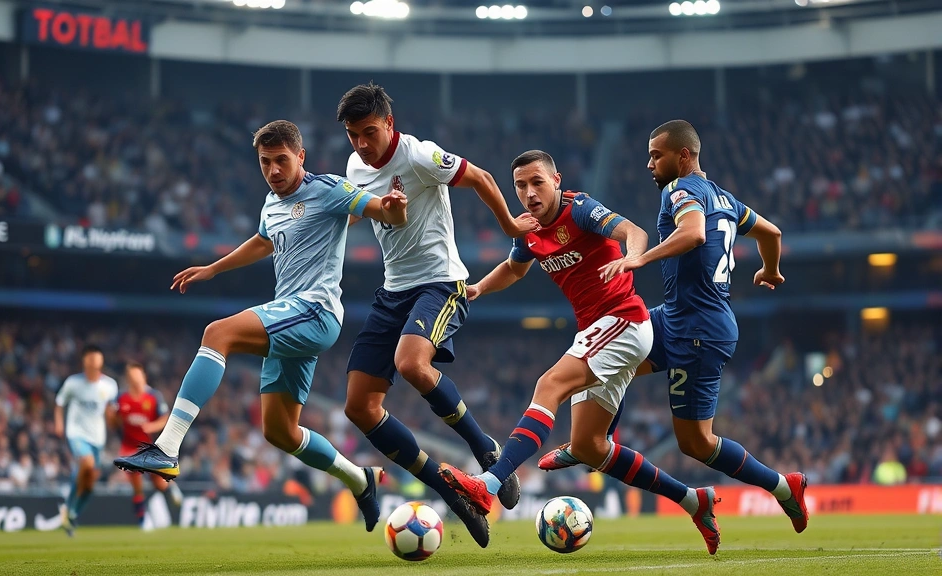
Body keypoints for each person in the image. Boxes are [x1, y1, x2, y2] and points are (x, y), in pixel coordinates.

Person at [115, 120, 408, 532]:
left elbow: (375, 208)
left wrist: (390, 207)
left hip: (316, 310)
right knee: (280, 431)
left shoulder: (327, 189)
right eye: (265, 162)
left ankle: (167, 446)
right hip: (290, 315)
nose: (273, 170)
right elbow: (262, 240)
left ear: (300, 156)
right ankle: (358, 479)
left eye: (281, 160)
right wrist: (214, 268)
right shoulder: (272, 202)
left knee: (218, 334)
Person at [438, 150, 722, 554]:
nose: (529, 193)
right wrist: (481, 288)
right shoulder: (530, 230)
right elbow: (515, 268)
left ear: (556, 180)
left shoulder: (581, 209)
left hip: (624, 321)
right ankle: (694, 500)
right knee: (590, 446)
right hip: (597, 330)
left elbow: (634, 231)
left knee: (549, 384)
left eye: (537, 182)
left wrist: (631, 259)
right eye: (521, 186)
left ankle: (486, 486)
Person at [543, 119, 809, 534]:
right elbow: (770, 232)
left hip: (699, 330)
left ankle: (783, 488)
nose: (650, 164)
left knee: (695, 443)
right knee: (616, 350)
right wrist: (769, 270)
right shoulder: (725, 198)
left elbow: (694, 234)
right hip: (676, 316)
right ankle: (589, 443)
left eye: (656, 155)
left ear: (683, 156)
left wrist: (639, 258)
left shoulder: (679, 189)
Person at [335, 82, 538, 548]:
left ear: (389, 123)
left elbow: (483, 178)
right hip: (392, 291)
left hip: (440, 282)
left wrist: (510, 225)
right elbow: (356, 209)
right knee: (358, 407)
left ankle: (486, 449)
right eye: (353, 135)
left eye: (369, 132)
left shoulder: (420, 156)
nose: (362, 145)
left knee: (411, 364)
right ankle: (450, 488)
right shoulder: (353, 166)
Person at [55, 344, 118, 536]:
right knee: (87, 462)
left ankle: (72, 513)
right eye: (90, 357)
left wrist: (115, 419)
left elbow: (110, 412)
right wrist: (59, 423)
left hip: (97, 438)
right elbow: (59, 404)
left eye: (97, 357)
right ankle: (68, 507)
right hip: (76, 433)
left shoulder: (109, 385)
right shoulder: (73, 383)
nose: (94, 361)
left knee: (90, 483)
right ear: (84, 360)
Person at [115, 362, 183, 529]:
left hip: (149, 446)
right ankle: (143, 520)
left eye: (137, 375)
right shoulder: (121, 398)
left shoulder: (153, 396)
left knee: (158, 483)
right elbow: (115, 418)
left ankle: (171, 489)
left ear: (143, 376)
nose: (135, 379)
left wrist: (151, 427)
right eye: (131, 376)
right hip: (129, 447)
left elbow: (164, 418)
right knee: (136, 484)